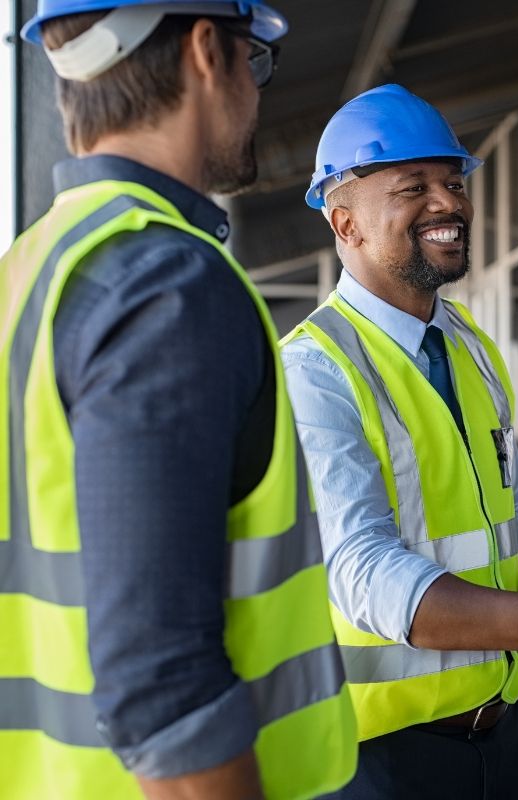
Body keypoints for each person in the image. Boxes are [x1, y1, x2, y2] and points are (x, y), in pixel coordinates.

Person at [0, 2, 356, 798]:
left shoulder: (28, 270)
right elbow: (164, 693)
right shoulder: (165, 284)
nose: (257, 96)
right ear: (205, 50)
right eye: (253, 62)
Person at [281, 83, 518, 800]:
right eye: (413, 188)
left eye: (453, 182)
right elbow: (363, 574)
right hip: (377, 764)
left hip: (501, 738)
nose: (449, 203)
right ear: (346, 223)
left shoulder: (468, 346)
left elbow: (503, 527)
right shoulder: (314, 370)